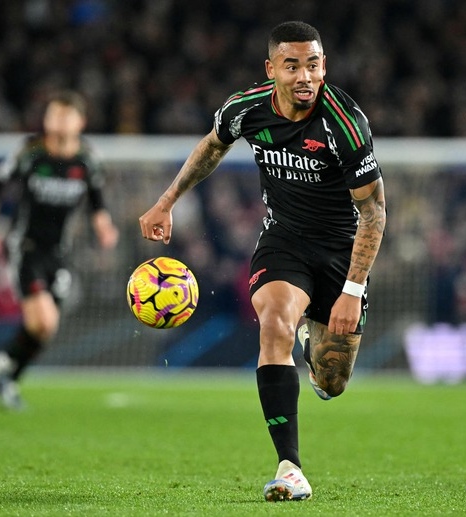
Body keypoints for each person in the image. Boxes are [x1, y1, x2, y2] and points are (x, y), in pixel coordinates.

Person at [139, 21, 386, 501]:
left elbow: (374, 210)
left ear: (324, 66)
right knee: (273, 324)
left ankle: (312, 342)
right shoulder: (245, 108)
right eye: (292, 66)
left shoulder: (344, 122)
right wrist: (166, 202)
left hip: (341, 250)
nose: (304, 76)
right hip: (283, 241)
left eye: (312, 65)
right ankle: (290, 468)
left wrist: (352, 291)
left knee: (332, 381)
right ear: (271, 69)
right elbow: (212, 146)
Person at [0, 90, 119, 410]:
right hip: (25, 246)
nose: (59, 122)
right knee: (42, 320)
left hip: (59, 252)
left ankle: (6, 367)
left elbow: (97, 202)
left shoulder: (87, 160)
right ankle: (7, 371)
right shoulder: (31, 153)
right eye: (53, 115)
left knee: (45, 327)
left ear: (80, 122)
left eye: (66, 116)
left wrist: (105, 228)